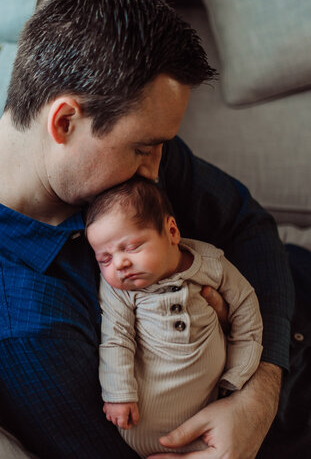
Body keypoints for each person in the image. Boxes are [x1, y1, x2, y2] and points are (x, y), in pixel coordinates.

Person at [0, 0, 311, 458]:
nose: (155, 171)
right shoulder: (23, 326)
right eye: (145, 149)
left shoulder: (119, 145)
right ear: (64, 121)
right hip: (303, 423)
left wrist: (262, 381)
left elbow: (245, 223)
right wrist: (256, 408)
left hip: (308, 296)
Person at [85, 177, 263, 457]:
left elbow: (245, 306)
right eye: (104, 259)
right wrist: (118, 394)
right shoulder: (118, 291)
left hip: (210, 416)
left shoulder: (211, 263)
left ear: (171, 232)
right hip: (141, 423)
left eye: (130, 247)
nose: (119, 264)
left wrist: (240, 371)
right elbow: (116, 339)